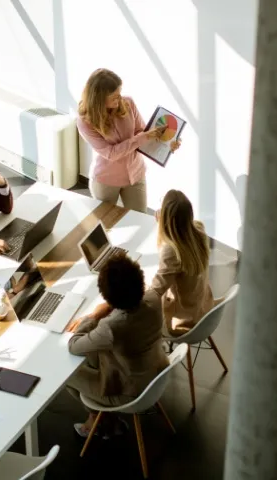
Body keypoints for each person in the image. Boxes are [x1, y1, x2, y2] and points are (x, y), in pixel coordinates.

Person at [66, 254, 168, 437]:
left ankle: (99, 420)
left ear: (107, 296)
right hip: (155, 373)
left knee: (66, 373)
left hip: (129, 392)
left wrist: (94, 316)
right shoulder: (153, 298)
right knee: (93, 355)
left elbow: (74, 345)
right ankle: (103, 419)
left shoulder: (112, 327)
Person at [76, 68, 181, 213]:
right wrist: (144, 137)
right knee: (105, 225)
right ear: (99, 99)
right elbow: (111, 153)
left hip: (136, 174)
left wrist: (168, 144)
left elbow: (142, 132)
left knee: (140, 220)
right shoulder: (85, 122)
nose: (120, 100)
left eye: (119, 94)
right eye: (114, 97)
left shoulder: (128, 103)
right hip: (106, 180)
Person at [151, 189, 214, 336]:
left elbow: (155, 292)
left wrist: (161, 228)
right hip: (204, 307)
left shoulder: (171, 251)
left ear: (166, 218)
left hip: (183, 322)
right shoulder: (200, 231)